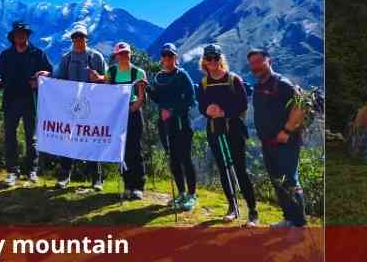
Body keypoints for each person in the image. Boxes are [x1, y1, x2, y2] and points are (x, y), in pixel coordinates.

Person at [38, 25, 107, 190]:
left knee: (92, 140)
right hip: (71, 107)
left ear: (86, 39)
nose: (78, 40)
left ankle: (97, 179)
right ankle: (64, 177)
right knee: (67, 139)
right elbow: (59, 78)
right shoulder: (66, 58)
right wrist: (47, 77)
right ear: (72, 40)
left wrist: (100, 77)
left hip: (92, 106)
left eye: (81, 37)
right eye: (75, 37)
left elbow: (107, 79)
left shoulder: (96, 57)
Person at [197, 44, 259, 226]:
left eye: (216, 58)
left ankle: (253, 211)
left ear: (220, 59)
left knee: (240, 169)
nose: (213, 62)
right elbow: (201, 105)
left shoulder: (234, 80)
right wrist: (207, 110)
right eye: (209, 58)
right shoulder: (203, 84)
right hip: (214, 130)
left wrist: (223, 112)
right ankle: (232, 207)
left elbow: (243, 104)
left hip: (234, 129)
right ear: (204, 62)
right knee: (223, 168)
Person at [247, 49, 308, 228]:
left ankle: (299, 223)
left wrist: (287, 130)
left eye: (259, 61)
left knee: (289, 180)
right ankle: (289, 218)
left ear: (269, 61)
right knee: (277, 180)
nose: (255, 66)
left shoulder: (282, 84)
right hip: (268, 143)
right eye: (252, 63)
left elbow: (301, 106)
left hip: (286, 141)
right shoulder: (258, 87)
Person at [0, 22, 53, 187]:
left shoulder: (37, 53)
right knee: (10, 137)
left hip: (31, 100)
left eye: (24, 33)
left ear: (28, 35)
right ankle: (12, 171)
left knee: (31, 137)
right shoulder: (6, 55)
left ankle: (31, 170)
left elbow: (50, 71)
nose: (21, 36)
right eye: (18, 33)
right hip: (10, 101)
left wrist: (44, 75)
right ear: (13, 36)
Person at [146, 43, 197, 210]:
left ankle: (191, 195)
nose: (167, 58)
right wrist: (146, 88)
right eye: (165, 55)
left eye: (170, 55)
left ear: (175, 57)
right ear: (162, 58)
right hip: (165, 124)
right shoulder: (159, 77)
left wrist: (172, 111)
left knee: (185, 159)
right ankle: (181, 193)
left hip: (182, 123)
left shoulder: (182, 75)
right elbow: (158, 99)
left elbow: (191, 100)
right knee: (173, 159)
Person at [105, 42, 148, 200]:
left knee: (135, 148)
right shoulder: (111, 71)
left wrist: (131, 109)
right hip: (118, 113)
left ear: (130, 54)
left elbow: (142, 97)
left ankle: (139, 186)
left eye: (126, 53)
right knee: (122, 149)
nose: (123, 56)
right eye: (120, 53)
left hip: (134, 111)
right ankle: (127, 184)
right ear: (116, 56)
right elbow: (107, 93)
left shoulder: (138, 72)